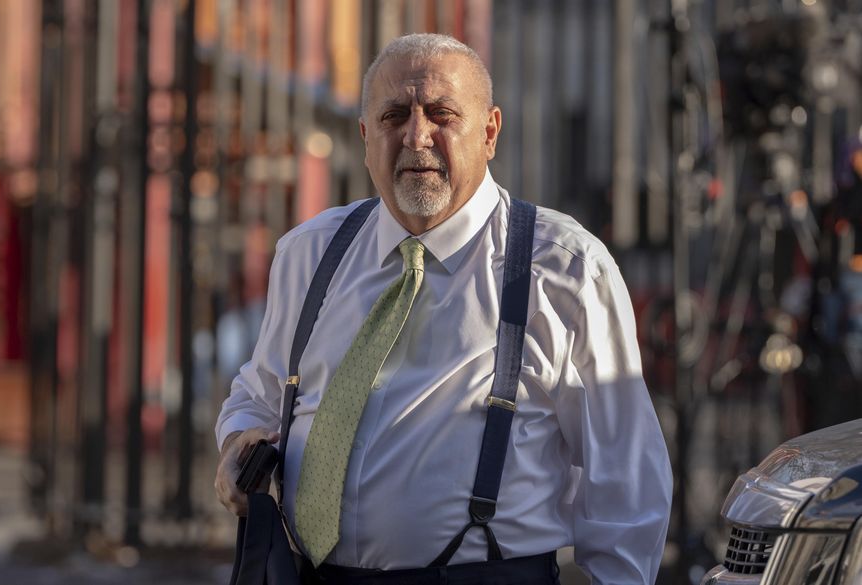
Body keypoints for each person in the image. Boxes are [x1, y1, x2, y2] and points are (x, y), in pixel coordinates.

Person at [215, 33, 672, 584]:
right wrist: (239, 442)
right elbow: (260, 394)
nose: (415, 136)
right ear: (365, 138)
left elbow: (624, 476)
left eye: (441, 113)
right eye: (392, 116)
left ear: (490, 131)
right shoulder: (309, 252)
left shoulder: (565, 268)